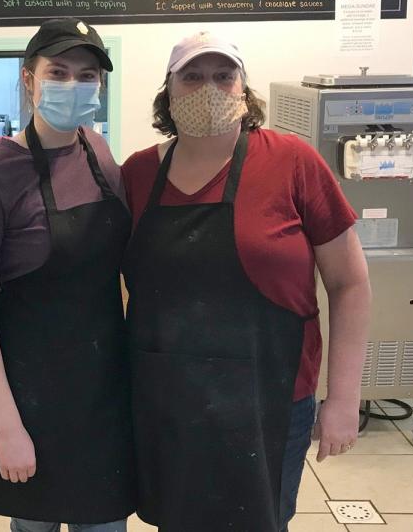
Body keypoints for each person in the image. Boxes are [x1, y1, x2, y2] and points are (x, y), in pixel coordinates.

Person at [120, 31, 371, 532]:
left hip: (270, 399)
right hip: (168, 400)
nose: (208, 88)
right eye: (191, 77)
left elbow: (350, 284)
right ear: (168, 91)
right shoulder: (138, 173)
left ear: (244, 89)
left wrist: (343, 400)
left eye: (222, 76)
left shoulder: (293, 162)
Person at [0, 18, 135, 532]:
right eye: (59, 71)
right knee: (35, 524)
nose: (73, 86)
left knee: (105, 523)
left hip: (101, 388)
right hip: (30, 395)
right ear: (29, 79)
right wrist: (8, 428)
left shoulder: (98, 151)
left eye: (88, 74)